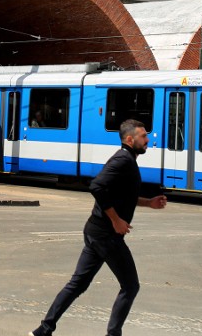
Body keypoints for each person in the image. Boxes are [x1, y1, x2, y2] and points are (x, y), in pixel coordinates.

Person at [30, 119, 167, 336]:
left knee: (77, 285)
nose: (148, 140)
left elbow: (123, 196)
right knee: (130, 286)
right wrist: (115, 220)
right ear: (130, 139)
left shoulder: (128, 159)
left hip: (97, 232)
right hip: (105, 234)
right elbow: (97, 186)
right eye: (143, 136)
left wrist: (148, 203)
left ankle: (43, 330)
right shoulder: (123, 160)